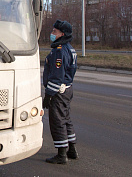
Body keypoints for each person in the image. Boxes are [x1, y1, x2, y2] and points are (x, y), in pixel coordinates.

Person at [43, 20, 78, 164]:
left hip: (59, 92)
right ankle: (72, 150)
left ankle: (61, 155)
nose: (52, 34)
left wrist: (48, 94)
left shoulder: (60, 50)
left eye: (54, 32)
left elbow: (57, 76)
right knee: (66, 120)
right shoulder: (69, 48)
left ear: (62, 34)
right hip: (67, 89)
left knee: (57, 122)